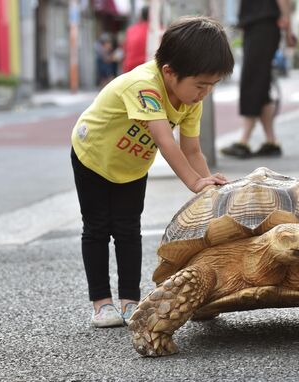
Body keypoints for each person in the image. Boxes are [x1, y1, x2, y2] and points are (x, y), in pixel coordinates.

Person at [71, 16, 233, 328]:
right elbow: (164, 140)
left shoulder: (190, 99)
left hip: (131, 165)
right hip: (92, 156)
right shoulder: (144, 85)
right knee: (97, 228)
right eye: (201, 85)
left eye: (212, 85)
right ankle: (101, 304)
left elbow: (192, 149)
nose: (205, 93)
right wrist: (194, 182)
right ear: (169, 71)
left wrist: (208, 187)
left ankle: (131, 302)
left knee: (129, 228)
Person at [221, 0, 296, 159]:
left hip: (263, 25)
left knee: (252, 81)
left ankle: (244, 141)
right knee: (261, 83)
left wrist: (288, 28)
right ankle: (271, 141)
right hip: (257, 25)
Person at [122, 6, 150, 73]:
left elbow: (125, 50)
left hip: (130, 69)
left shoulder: (131, 30)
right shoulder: (156, 31)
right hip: (147, 69)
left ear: (141, 17)